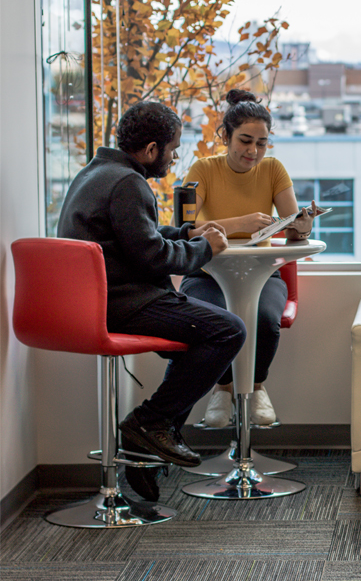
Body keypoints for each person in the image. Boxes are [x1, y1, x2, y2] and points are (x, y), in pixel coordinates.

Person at [57, 101, 247, 502]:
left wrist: (184, 233)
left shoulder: (94, 173)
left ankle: (151, 437)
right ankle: (149, 424)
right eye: (173, 149)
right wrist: (205, 250)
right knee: (228, 330)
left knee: (198, 346)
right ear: (149, 149)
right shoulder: (129, 183)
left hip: (96, 300)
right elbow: (153, 257)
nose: (175, 156)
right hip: (124, 302)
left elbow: (136, 235)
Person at [181, 89, 317, 427]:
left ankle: (256, 387)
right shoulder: (203, 169)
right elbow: (183, 231)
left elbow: (291, 231)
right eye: (245, 140)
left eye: (262, 143)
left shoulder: (273, 170)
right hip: (206, 273)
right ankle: (223, 388)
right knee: (213, 321)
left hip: (261, 274)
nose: (253, 151)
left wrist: (302, 226)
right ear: (225, 136)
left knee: (266, 321)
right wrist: (239, 224)